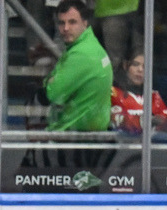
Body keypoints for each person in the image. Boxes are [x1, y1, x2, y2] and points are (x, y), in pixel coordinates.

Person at [38, 0, 112, 132]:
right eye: (61, 23)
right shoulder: (90, 46)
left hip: (73, 138)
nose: (65, 28)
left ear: (85, 23)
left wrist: (49, 82)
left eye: (72, 22)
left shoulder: (81, 54)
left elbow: (49, 95)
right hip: (86, 134)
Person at [110, 51, 167, 135]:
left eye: (145, 66)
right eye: (135, 64)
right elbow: (115, 120)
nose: (140, 70)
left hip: (151, 146)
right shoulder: (114, 93)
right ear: (125, 65)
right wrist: (144, 122)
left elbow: (164, 121)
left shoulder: (153, 96)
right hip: (122, 145)